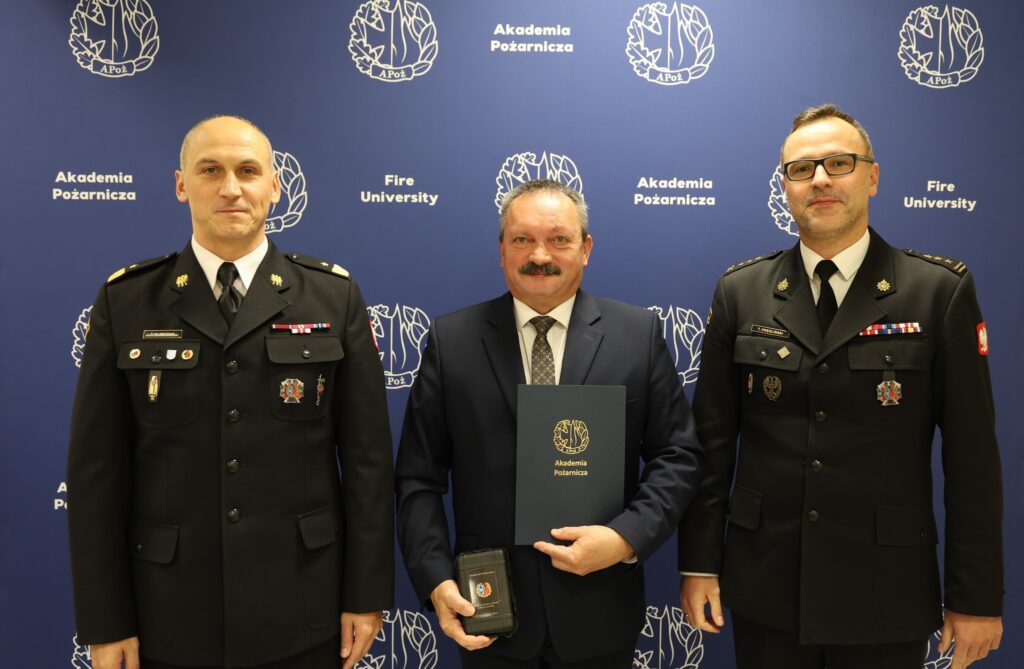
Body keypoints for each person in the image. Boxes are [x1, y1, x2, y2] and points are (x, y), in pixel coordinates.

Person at [678, 104, 1003, 669]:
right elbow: (711, 446)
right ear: (785, 187)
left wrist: (975, 597)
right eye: (801, 169)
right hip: (767, 585)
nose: (821, 180)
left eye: (839, 163)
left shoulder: (937, 291)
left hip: (885, 588)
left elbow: (972, 459)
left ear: (872, 177)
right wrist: (699, 564)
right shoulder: (741, 291)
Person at [67, 115, 394, 669]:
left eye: (247, 171)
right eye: (210, 171)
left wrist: (365, 594)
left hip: (303, 608)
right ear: (181, 185)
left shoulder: (332, 297)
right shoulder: (127, 301)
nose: (230, 188)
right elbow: (96, 475)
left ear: (275, 185)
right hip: (167, 613)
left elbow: (368, 463)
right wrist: (106, 620)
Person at [395, 179, 703, 668]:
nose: (540, 255)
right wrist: (436, 579)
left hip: (599, 610)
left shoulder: (636, 336)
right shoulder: (451, 341)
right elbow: (417, 477)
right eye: (523, 239)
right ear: (502, 250)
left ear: (586, 249)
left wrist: (626, 538)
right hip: (488, 610)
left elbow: (677, 456)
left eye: (559, 239)